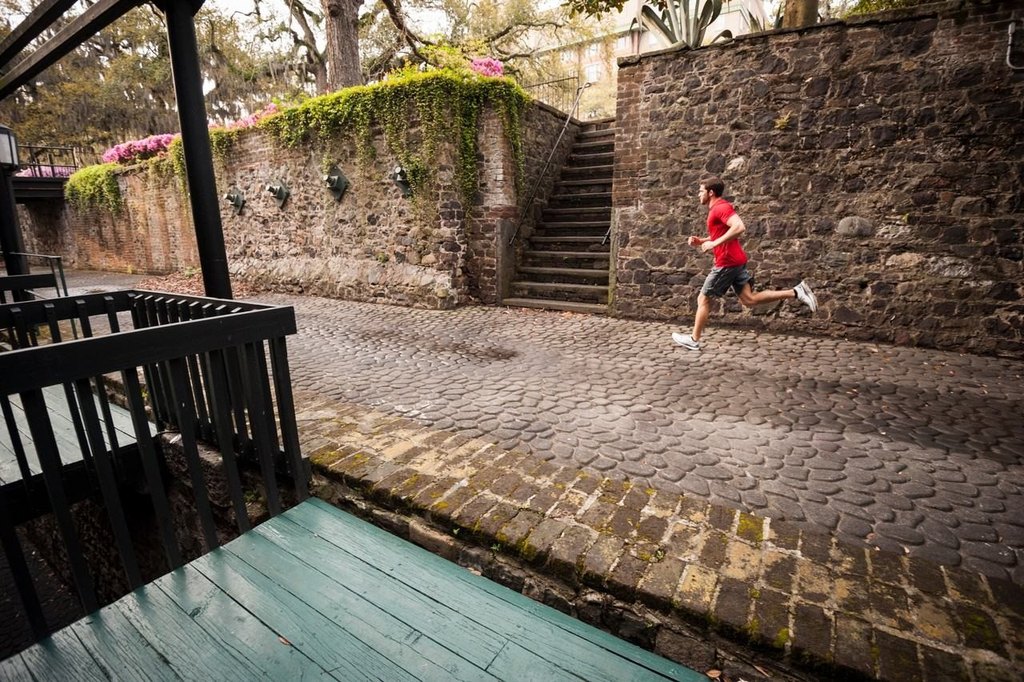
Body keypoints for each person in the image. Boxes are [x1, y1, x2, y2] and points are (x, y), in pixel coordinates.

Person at [672, 176, 817, 351]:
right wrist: (702, 241)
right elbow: (723, 232)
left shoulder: (720, 208)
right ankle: (796, 291)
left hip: (727, 262)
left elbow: (739, 227)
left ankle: (694, 340)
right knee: (749, 299)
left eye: (701, 191)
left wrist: (714, 244)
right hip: (736, 260)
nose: (698, 194)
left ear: (711, 193)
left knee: (703, 298)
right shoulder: (717, 209)